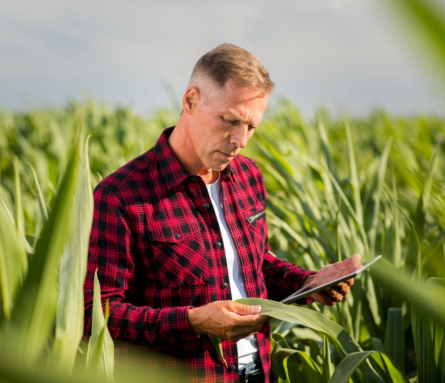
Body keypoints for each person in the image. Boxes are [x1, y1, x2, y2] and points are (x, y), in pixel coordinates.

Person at [83, 43, 361, 383]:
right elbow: (94, 313)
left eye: (252, 127)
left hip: (256, 372)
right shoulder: (121, 195)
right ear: (190, 101)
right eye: (229, 120)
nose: (240, 140)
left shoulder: (248, 176)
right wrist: (193, 321)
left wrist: (306, 282)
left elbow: (251, 266)